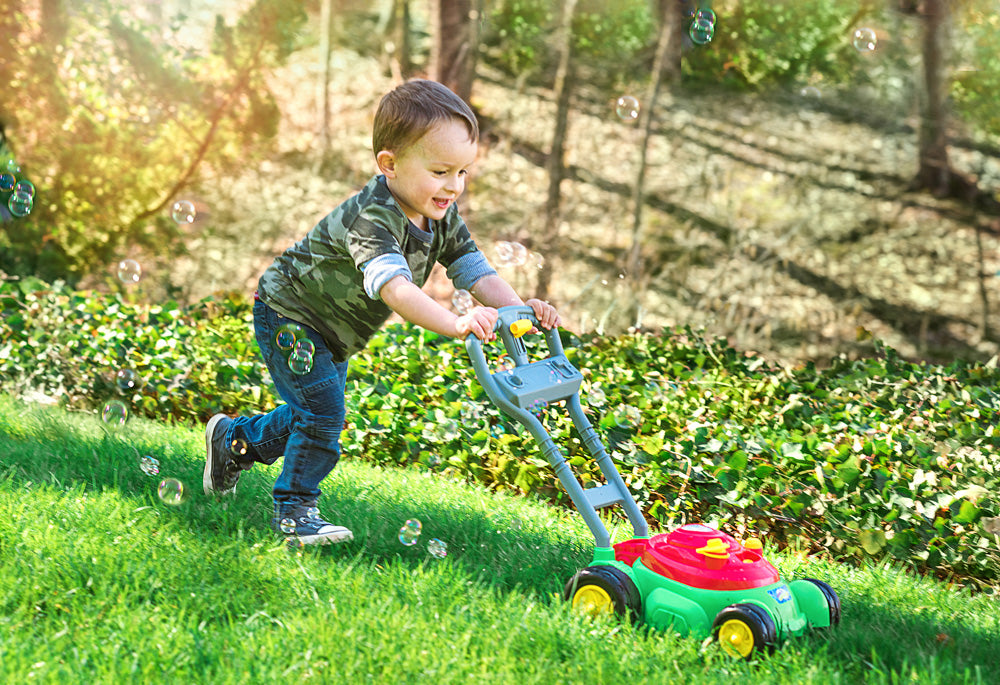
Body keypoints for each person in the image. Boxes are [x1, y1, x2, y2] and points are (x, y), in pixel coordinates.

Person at [203, 79, 560, 545]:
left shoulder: (441, 216)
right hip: (290, 313)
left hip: (332, 330)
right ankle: (294, 512)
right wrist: (455, 323)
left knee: (311, 411)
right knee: (323, 414)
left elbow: (475, 270)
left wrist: (520, 309)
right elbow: (394, 289)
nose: (453, 186)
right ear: (389, 165)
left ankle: (234, 442)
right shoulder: (372, 218)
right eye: (440, 171)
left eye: (462, 173)